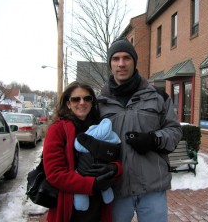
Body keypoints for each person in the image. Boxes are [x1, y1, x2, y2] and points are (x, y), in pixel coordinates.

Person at [97, 38, 183, 222]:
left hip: (152, 189)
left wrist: (154, 139)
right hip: (116, 189)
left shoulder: (158, 96)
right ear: (110, 64)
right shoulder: (99, 103)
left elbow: (174, 131)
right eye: (116, 58)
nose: (121, 64)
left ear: (134, 62)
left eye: (127, 58)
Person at [43, 81, 123, 222]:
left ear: (92, 102)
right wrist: (92, 184)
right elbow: (55, 174)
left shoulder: (101, 127)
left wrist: (114, 169)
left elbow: (114, 154)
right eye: (76, 99)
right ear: (68, 104)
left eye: (87, 98)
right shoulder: (58, 129)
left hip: (99, 207)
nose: (82, 102)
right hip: (69, 207)